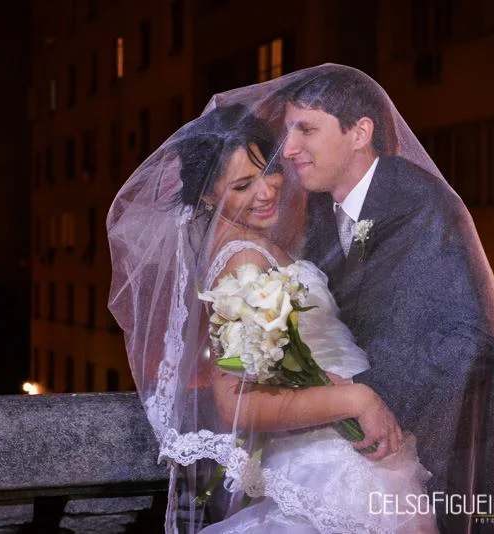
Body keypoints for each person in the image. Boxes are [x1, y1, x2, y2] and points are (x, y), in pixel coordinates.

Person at [108, 99, 437, 533]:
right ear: (208, 194)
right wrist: (360, 399)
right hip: (330, 460)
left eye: (270, 172)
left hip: (348, 447)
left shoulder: (255, 244)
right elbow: (235, 403)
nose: (266, 192)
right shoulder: (242, 262)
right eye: (242, 185)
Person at [278, 64, 494, 533]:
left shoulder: (418, 204)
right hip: (376, 455)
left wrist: (362, 397)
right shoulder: (323, 210)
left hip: (443, 456)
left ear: (360, 132)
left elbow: (472, 344)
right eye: (287, 131)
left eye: (306, 129)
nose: (288, 150)